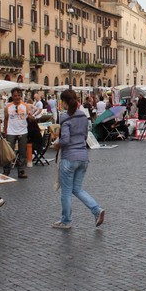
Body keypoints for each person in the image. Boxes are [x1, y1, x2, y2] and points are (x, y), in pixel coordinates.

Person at [52, 89, 105, 230]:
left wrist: (57, 144)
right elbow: (84, 135)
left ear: (64, 102)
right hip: (83, 156)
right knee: (77, 189)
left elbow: (65, 139)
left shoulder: (64, 117)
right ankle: (96, 209)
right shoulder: (82, 115)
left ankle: (66, 220)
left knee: (66, 191)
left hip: (69, 157)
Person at [3, 88, 29, 179]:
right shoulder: (8, 107)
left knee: (22, 152)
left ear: (21, 96)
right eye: (15, 95)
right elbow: (6, 119)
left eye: (18, 95)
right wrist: (5, 130)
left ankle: (21, 170)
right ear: (12, 96)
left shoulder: (25, 106)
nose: (17, 97)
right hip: (11, 131)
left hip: (23, 131)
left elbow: (30, 117)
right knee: (8, 152)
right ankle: (6, 171)